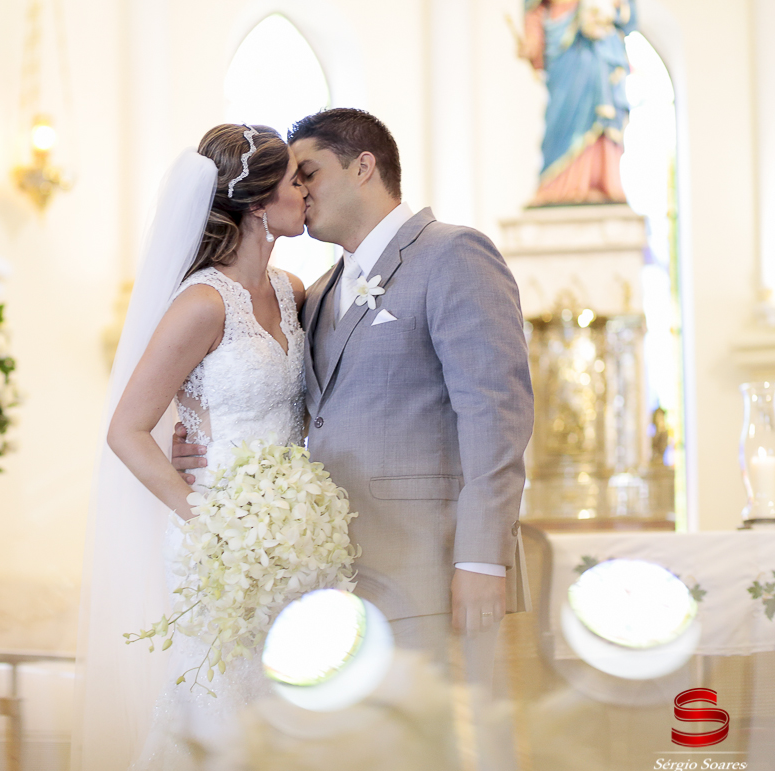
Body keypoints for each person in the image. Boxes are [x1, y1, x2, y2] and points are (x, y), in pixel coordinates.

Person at [173, 108, 534, 688]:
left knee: (454, 762)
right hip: (333, 581)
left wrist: (481, 560)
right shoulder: (312, 294)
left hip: (433, 570)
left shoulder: (454, 255)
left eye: (307, 172)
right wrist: (200, 441)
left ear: (363, 166)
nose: (297, 190)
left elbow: (497, 415)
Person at [75, 123, 308, 771]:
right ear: (260, 202)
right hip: (217, 544)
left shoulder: (292, 291)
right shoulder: (202, 303)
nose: (305, 190)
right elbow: (126, 430)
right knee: (220, 719)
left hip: (292, 539)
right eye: (295, 178)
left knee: (283, 724)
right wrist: (205, 518)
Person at [516, 0, 636, 205]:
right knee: (563, 114)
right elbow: (535, 10)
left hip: (599, 44)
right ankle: (559, 185)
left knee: (601, 109)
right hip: (562, 43)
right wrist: (532, 42)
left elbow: (625, 12)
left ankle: (603, 181)